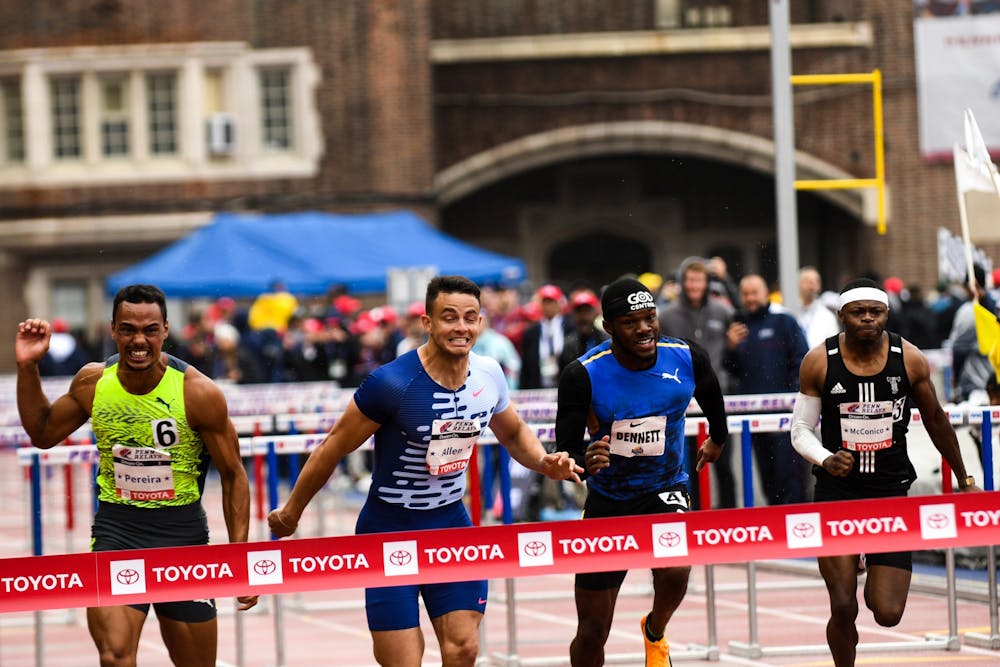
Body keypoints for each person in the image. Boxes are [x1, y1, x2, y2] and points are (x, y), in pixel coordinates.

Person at [267, 275, 582, 667]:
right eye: (449, 317)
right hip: (389, 529)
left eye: (470, 318)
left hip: (451, 522)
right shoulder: (391, 383)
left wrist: (544, 462)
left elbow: (514, 432)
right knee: (401, 662)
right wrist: (292, 511)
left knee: (463, 648)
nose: (461, 327)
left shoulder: (489, 374)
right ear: (428, 323)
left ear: (481, 323)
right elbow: (333, 447)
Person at [15, 284, 257, 667]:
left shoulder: (198, 393)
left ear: (165, 330)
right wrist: (28, 366)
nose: (138, 341)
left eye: (149, 330)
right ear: (113, 329)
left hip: (183, 539)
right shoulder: (93, 382)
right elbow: (43, 433)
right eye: (128, 329)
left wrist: (240, 555)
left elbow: (233, 475)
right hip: (118, 533)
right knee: (115, 656)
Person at [791, 277, 981, 667]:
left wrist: (964, 479)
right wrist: (826, 458)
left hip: (890, 493)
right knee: (842, 604)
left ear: (887, 315)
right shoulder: (818, 361)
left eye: (875, 312)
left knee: (887, 611)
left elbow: (936, 420)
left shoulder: (908, 358)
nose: (867, 320)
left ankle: (869, 566)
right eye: (858, 313)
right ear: (842, 316)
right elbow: (800, 430)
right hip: (836, 492)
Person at [556, 278, 729, 667]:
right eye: (631, 322)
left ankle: (655, 629)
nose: (645, 329)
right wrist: (584, 458)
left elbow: (714, 399)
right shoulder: (582, 373)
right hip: (609, 499)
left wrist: (717, 439)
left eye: (650, 318)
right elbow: (566, 448)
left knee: (676, 565)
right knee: (592, 633)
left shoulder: (686, 356)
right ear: (609, 327)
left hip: (666, 486)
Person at [725, 273, 810, 505]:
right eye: (746, 294)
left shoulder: (784, 322)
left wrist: (792, 397)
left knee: (790, 474)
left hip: (785, 415)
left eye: (754, 293)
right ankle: (776, 525)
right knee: (767, 474)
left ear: (765, 294)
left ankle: (799, 523)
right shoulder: (739, 327)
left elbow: (803, 360)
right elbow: (731, 371)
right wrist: (730, 348)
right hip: (753, 416)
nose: (750, 298)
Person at [659, 256, 736, 509]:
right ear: (682, 283)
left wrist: (734, 348)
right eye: (689, 281)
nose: (694, 286)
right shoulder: (667, 315)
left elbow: (743, 326)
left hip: (718, 393)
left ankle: (729, 514)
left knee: (723, 458)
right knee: (690, 462)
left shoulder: (722, 310)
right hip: (683, 397)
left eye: (699, 280)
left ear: (707, 283)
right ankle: (698, 514)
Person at [519, 284, 576, 389]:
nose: (548, 306)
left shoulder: (570, 327)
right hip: (539, 387)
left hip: (565, 386)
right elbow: (525, 368)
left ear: (559, 304)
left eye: (551, 302)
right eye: (545, 302)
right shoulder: (531, 333)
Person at [797, 266, 841, 349]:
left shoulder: (827, 317)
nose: (812, 287)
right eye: (809, 282)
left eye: (816, 282)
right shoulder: (788, 311)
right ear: (799, 284)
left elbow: (833, 346)